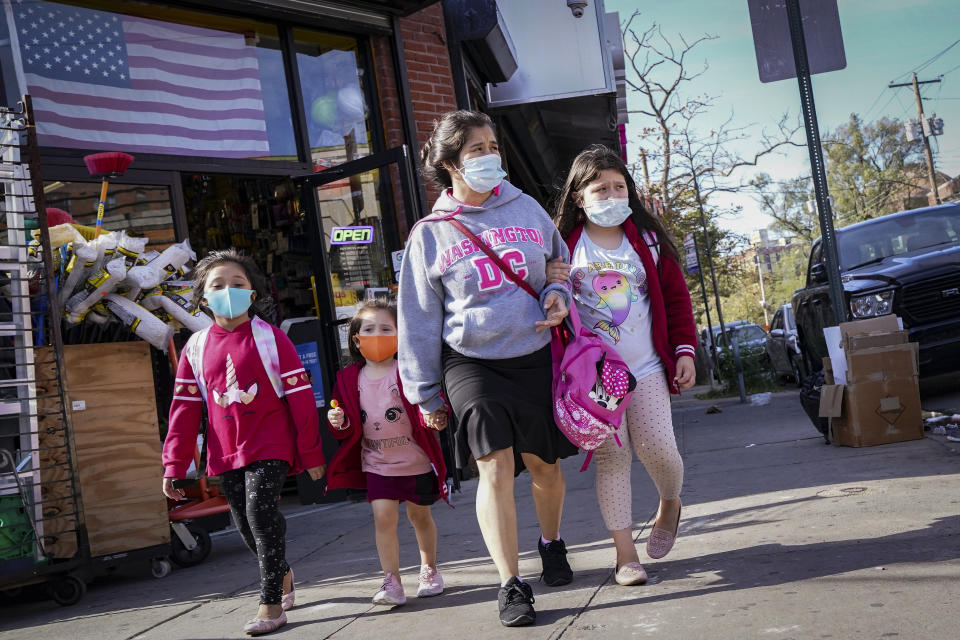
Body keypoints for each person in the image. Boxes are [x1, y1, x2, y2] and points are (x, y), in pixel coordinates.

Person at [398, 109, 576, 628]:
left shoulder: (528, 210)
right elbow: (417, 318)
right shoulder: (430, 233)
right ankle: (510, 583)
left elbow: (558, 268)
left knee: (544, 466)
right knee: (493, 464)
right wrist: (425, 393)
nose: (491, 156)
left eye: (493, 146)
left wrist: (558, 296)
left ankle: (551, 542)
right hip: (470, 361)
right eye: (477, 149)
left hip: (533, 353)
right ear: (451, 163)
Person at [548, 144, 697, 586]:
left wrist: (685, 351)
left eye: (619, 186)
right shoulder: (562, 246)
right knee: (613, 459)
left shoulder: (648, 241)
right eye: (600, 188)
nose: (612, 195)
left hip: (647, 367)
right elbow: (550, 302)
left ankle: (670, 500)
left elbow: (676, 300)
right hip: (595, 380)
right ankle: (625, 556)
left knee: (658, 447)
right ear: (579, 196)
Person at [161, 249, 326, 636]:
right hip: (225, 450)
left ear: (253, 294)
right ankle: (281, 571)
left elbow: (301, 400)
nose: (228, 291)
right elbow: (183, 410)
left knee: (259, 513)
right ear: (203, 298)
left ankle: (270, 604)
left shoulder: (272, 340)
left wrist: (311, 452)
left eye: (238, 284)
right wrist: (174, 464)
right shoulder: (195, 348)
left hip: (272, 444)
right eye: (218, 285)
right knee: (244, 524)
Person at [325, 299, 449, 607]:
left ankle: (429, 568)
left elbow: (429, 406)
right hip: (377, 463)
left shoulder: (409, 371)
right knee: (383, 517)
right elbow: (344, 427)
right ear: (356, 338)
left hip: (416, 460)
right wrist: (338, 422)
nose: (377, 335)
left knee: (420, 516)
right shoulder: (347, 378)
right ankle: (391, 581)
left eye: (385, 328)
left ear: (400, 335)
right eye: (368, 329)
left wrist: (435, 415)